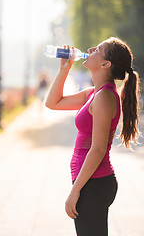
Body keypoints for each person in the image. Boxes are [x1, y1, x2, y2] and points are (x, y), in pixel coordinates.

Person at [45, 37, 140, 236]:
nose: (89, 49)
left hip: (93, 183)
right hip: (89, 182)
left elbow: (97, 150)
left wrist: (75, 191)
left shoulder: (104, 97)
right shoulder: (94, 93)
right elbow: (53, 103)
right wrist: (64, 70)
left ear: (106, 64)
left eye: (97, 49)